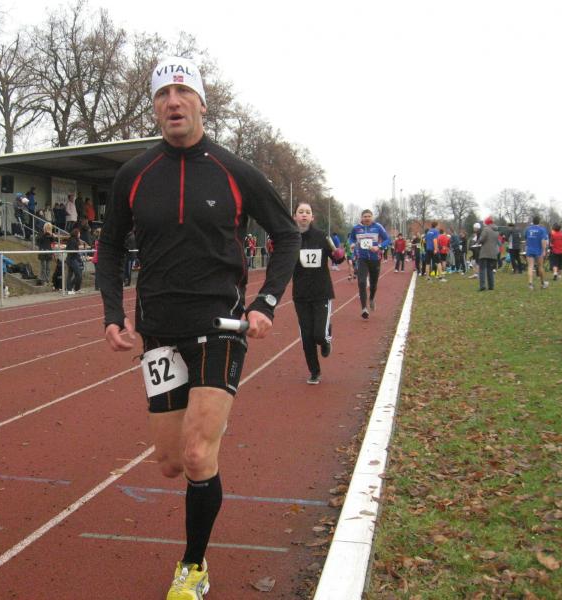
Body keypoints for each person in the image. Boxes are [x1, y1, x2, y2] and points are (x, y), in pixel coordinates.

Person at [97, 55, 300, 600]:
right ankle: (203, 432)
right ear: (155, 107)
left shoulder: (234, 171)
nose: (173, 102)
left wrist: (266, 302)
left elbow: (286, 234)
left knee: (195, 454)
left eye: (183, 92)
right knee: (169, 464)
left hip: (220, 327)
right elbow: (110, 247)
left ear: (202, 104)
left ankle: (193, 567)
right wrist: (113, 314)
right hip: (159, 333)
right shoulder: (135, 175)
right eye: (163, 94)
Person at [291, 202, 345, 384]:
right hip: (301, 294)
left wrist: (339, 255)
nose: (304, 215)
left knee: (319, 334)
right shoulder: (290, 238)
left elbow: (337, 258)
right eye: (301, 212)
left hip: (321, 292)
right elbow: (282, 260)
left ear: (312, 217)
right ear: (295, 217)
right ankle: (314, 372)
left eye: (307, 212)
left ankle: (326, 340)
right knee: (306, 337)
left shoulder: (322, 236)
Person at [348, 209, 391, 318]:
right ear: (361, 218)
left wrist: (379, 247)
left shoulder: (378, 227)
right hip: (362, 258)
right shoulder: (356, 228)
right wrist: (352, 244)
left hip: (375, 258)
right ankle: (364, 308)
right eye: (365, 216)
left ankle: (371, 298)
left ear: (372, 217)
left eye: (369, 216)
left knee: (373, 283)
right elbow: (351, 238)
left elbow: (387, 239)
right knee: (362, 282)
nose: (367, 218)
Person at [36, 222, 65, 287]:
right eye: (47, 228)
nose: (48, 229)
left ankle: (47, 280)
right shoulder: (41, 233)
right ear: (45, 228)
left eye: (49, 228)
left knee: (48, 267)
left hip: (49, 252)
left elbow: (53, 241)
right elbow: (38, 241)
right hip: (42, 252)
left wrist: (52, 235)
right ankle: (43, 280)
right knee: (43, 267)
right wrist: (44, 234)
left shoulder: (50, 234)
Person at [524, 215, 549, 290]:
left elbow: (526, 239)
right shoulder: (542, 229)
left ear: (533, 221)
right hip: (538, 250)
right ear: (539, 222)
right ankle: (543, 283)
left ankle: (530, 284)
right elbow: (543, 241)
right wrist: (544, 250)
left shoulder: (528, 229)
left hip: (529, 250)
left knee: (530, 267)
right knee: (540, 266)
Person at [477, 216, 500, 291]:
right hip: (493, 253)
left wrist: (478, 242)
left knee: (482, 269)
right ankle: (491, 286)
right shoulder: (496, 231)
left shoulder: (486, 229)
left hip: (485, 252)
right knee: (490, 269)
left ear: (487, 223)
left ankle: (482, 286)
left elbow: (482, 239)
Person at [65, 227, 87, 295]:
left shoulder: (74, 240)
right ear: (76, 233)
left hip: (73, 259)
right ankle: (69, 288)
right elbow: (71, 250)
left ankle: (75, 288)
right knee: (78, 274)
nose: (80, 234)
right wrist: (78, 252)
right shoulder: (72, 240)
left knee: (72, 274)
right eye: (79, 233)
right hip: (72, 259)